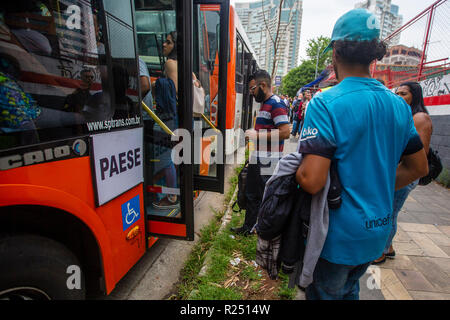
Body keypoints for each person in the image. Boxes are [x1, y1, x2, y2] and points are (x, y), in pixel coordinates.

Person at [296, 9, 428, 300]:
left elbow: (311, 180)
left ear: (335, 53)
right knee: (350, 290)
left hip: (336, 237)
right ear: (374, 54)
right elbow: (419, 166)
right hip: (376, 233)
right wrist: (374, 183)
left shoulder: (325, 102)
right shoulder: (398, 106)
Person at [373, 81, 433, 264]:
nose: (399, 97)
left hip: (406, 172)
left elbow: (419, 153)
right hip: (396, 168)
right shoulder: (404, 114)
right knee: (391, 210)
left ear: (414, 96)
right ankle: (388, 247)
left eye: (403, 94)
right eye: (397, 93)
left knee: (389, 211)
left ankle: (380, 251)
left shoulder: (420, 118)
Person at [231, 70, 290, 236]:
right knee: (251, 194)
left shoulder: (277, 103)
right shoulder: (265, 103)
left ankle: (262, 230)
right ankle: (248, 227)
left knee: (264, 197)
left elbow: (285, 132)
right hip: (258, 157)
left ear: (263, 85)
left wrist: (257, 135)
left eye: (252, 89)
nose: (251, 93)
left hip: (269, 161)